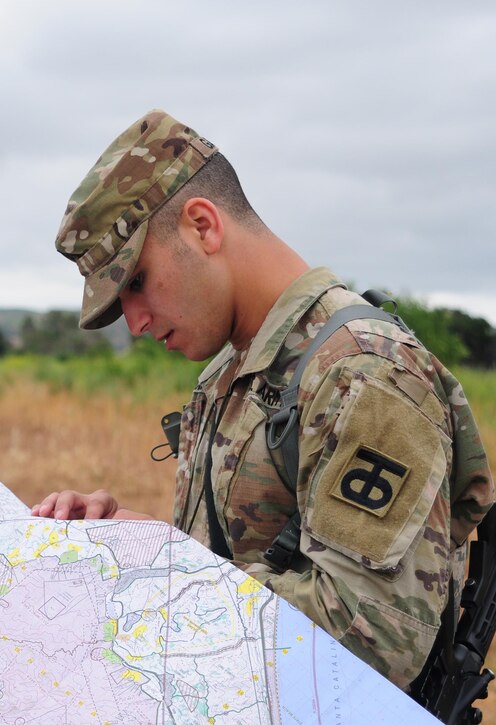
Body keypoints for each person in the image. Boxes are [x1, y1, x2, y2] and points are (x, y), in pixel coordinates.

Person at [31, 109, 494, 689]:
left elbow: (373, 638)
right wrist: (126, 540)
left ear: (203, 225)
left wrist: (156, 571)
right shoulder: (233, 367)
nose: (136, 323)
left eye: (137, 282)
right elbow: (232, 563)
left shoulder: (364, 371)